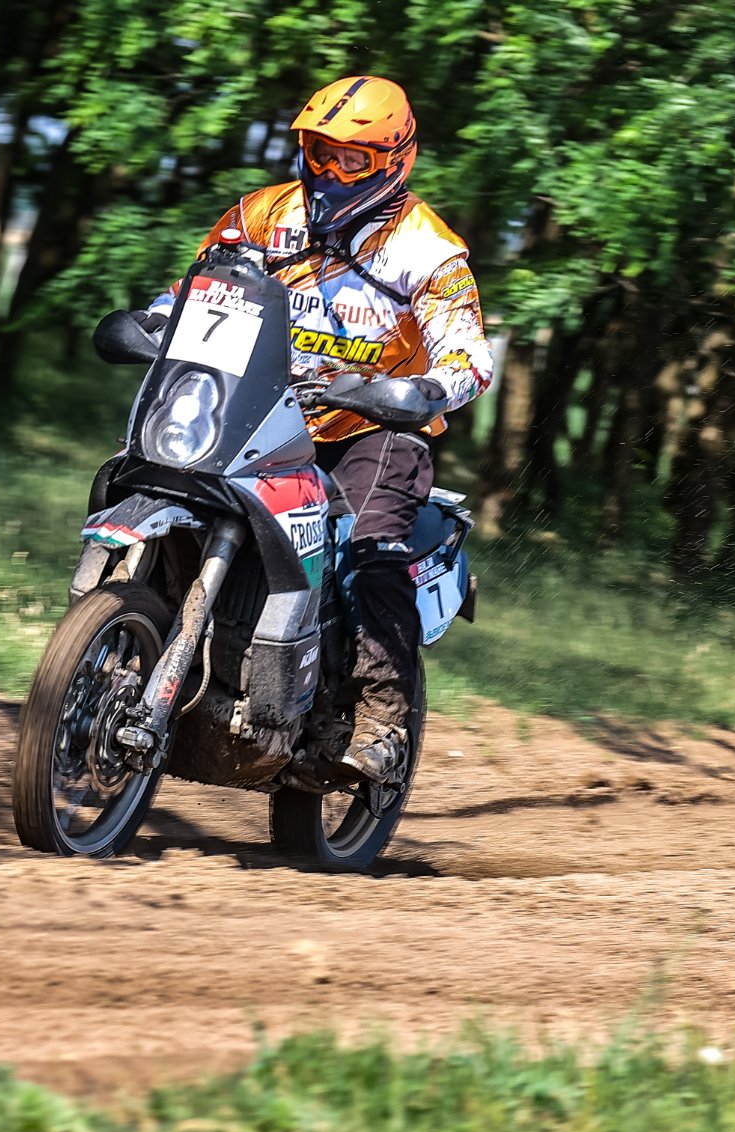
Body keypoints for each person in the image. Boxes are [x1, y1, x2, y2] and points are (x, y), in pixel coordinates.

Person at [140, 76, 494, 786]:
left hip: (372, 425)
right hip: (256, 406)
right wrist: (153, 320)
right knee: (161, 475)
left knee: (369, 543)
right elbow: (193, 291)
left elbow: (470, 354)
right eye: (318, 151)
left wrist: (428, 387)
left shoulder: (428, 249)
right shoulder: (261, 215)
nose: (330, 170)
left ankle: (383, 722)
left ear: (394, 160)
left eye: (352, 159)